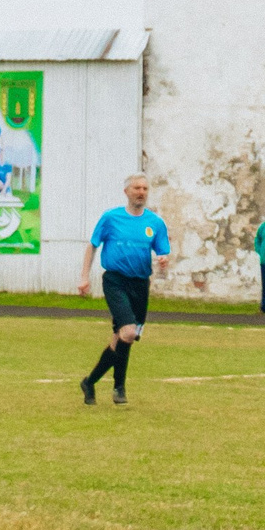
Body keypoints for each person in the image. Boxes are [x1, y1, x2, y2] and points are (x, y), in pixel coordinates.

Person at [78, 173, 170, 407]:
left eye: (145, 189)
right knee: (128, 332)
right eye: (137, 188)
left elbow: (163, 253)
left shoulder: (155, 223)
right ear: (126, 192)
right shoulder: (111, 218)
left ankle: (91, 382)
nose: (141, 192)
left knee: (123, 338)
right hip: (115, 281)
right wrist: (84, 277)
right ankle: (119, 387)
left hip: (140, 284)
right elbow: (92, 246)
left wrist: (163, 262)